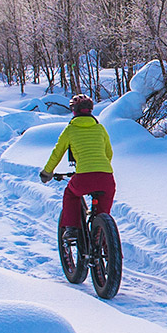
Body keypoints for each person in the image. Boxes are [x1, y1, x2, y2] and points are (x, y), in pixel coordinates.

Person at [40, 94, 115, 232]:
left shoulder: (70, 130)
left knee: (71, 194)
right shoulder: (100, 129)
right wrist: (99, 167)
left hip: (83, 178)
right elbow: (108, 153)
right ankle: (105, 242)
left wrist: (47, 172)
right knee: (102, 215)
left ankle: (71, 228)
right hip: (106, 178)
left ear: (74, 111)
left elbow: (57, 152)